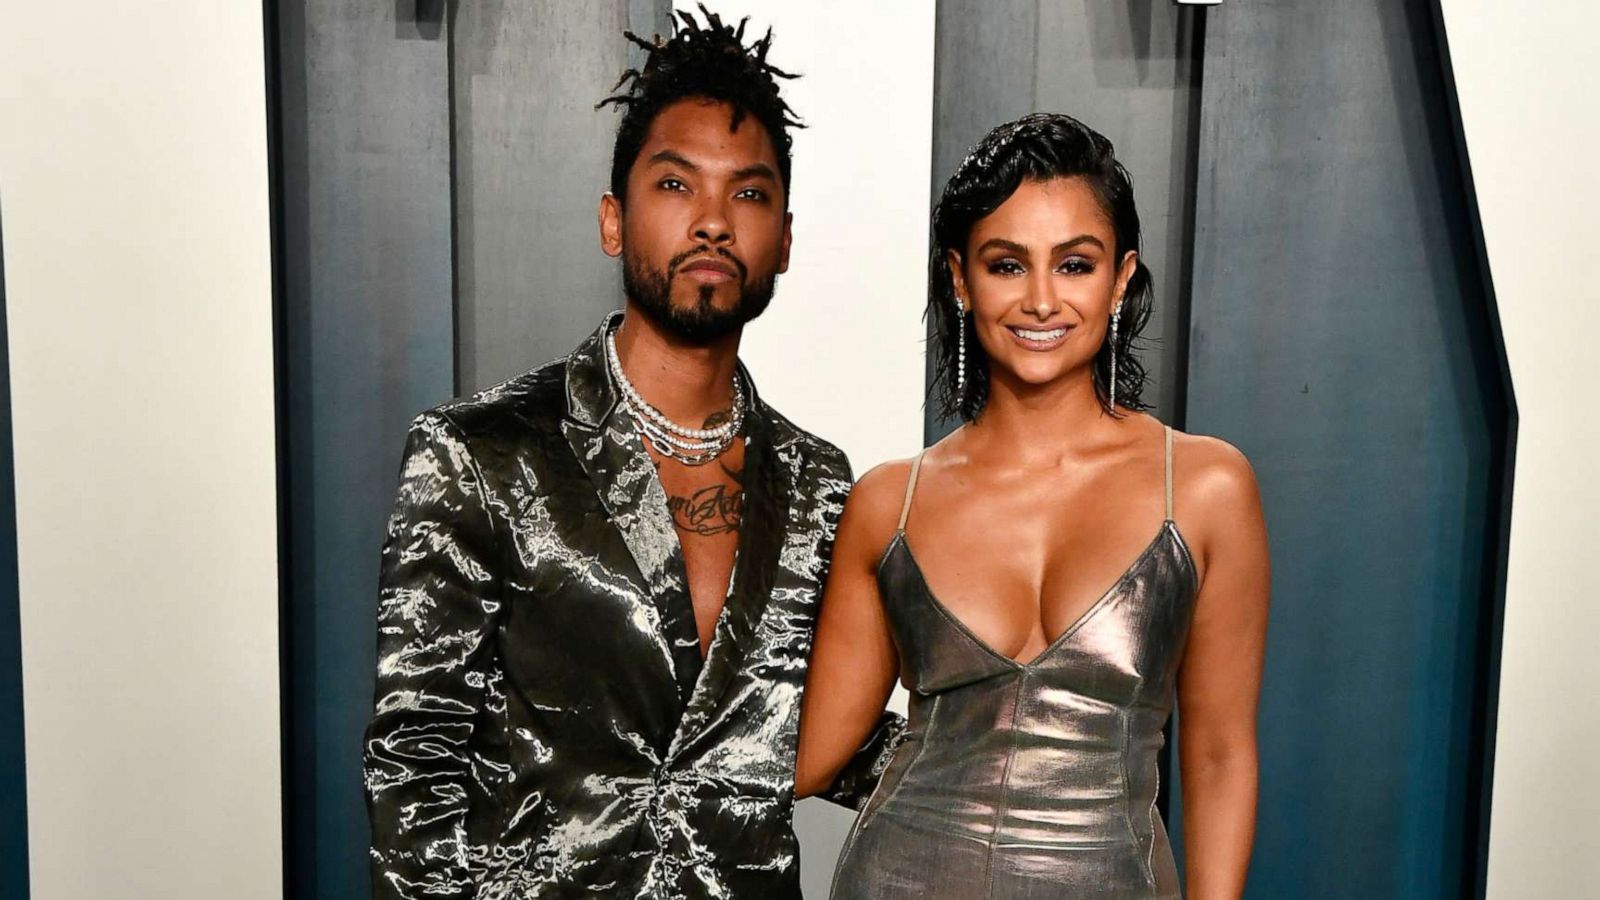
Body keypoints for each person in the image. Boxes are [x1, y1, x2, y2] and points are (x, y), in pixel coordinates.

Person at [363, 10, 900, 899]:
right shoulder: (478, 454)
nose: (716, 223)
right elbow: (412, 776)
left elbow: (803, 736)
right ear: (614, 220)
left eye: (750, 194)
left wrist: (1018, 755)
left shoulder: (819, 484)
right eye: (676, 186)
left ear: (787, 241)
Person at [795, 114, 1269, 899]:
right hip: (897, 875)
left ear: (1120, 278)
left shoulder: (1206, 489)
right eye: (1007, 265)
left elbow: (1220, 756)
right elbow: (813, 752)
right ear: (960, 277)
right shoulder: (890, 504)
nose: (1042, 300)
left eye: (1074, 265)